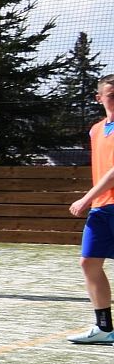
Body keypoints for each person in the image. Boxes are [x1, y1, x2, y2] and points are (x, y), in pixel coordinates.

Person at [66, 74, 114, 344]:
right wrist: (93, 200)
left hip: (102, 203)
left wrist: (85, 199)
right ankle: (104, 328)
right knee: (89, 262)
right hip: (101, 207)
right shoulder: (96, 129)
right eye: (112, 95)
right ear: (99, 98)